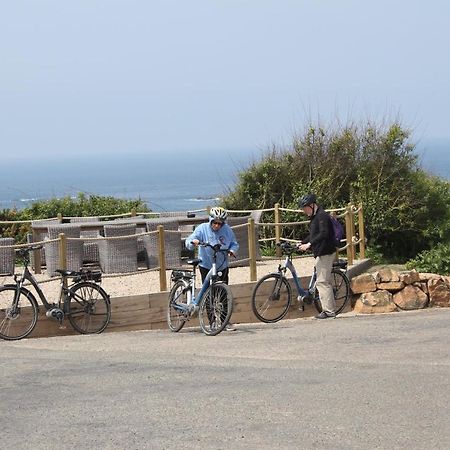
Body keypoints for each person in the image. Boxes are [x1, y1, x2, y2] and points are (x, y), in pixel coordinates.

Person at [185, 206, 239, 331]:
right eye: (214, 222)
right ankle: (212, 322)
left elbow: (234, 243)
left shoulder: (228, 230)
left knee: (223, 293)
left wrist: (232, 250)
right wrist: (193, 242)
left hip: (222, 264)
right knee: (209, 293)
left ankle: (225, 321)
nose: (216, 225)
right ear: (210, 220)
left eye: (220, 223)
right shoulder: (202, 228)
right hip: (206, 265)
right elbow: (189, 241)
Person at [297, 194, 337, 319]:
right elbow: (314, 235)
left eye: (305, 208)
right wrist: (302, 242)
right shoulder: (315, 217)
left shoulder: (322, 216)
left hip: (326, 252)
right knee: (321, 280)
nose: (304, 211)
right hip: (320, 252)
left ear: (312, 205)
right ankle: (329, 309)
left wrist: (309, 244)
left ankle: (329, 311)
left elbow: (324, 234)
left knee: (322, 282)